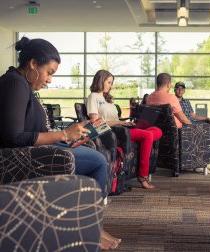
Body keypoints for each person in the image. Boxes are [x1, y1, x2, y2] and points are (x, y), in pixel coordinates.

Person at [0, 37, 120, 250]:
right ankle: (93, 226)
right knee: (98, 161)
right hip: (21, 156)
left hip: (36, 150)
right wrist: (63, 135)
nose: (49, 80)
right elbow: (14, 136)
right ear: (33, 64)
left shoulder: (22, 84)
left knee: (92, 155)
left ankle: (87, 223)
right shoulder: (14, 83)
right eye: (49, 72)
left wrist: (70, 135)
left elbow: (33, 130)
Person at [86, 70, 162, 189]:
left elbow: (115, 118)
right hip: (113, 132)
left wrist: (127, 122)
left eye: (111, 83)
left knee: (157, 130)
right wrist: (120, 122)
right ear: (100, 81)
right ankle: (143, 176)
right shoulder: (93, 97)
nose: (110, 85)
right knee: (147, 136)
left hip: (121, 127)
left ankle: (144, 137)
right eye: (109, 82)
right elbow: (96, 123)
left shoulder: (107, 99)